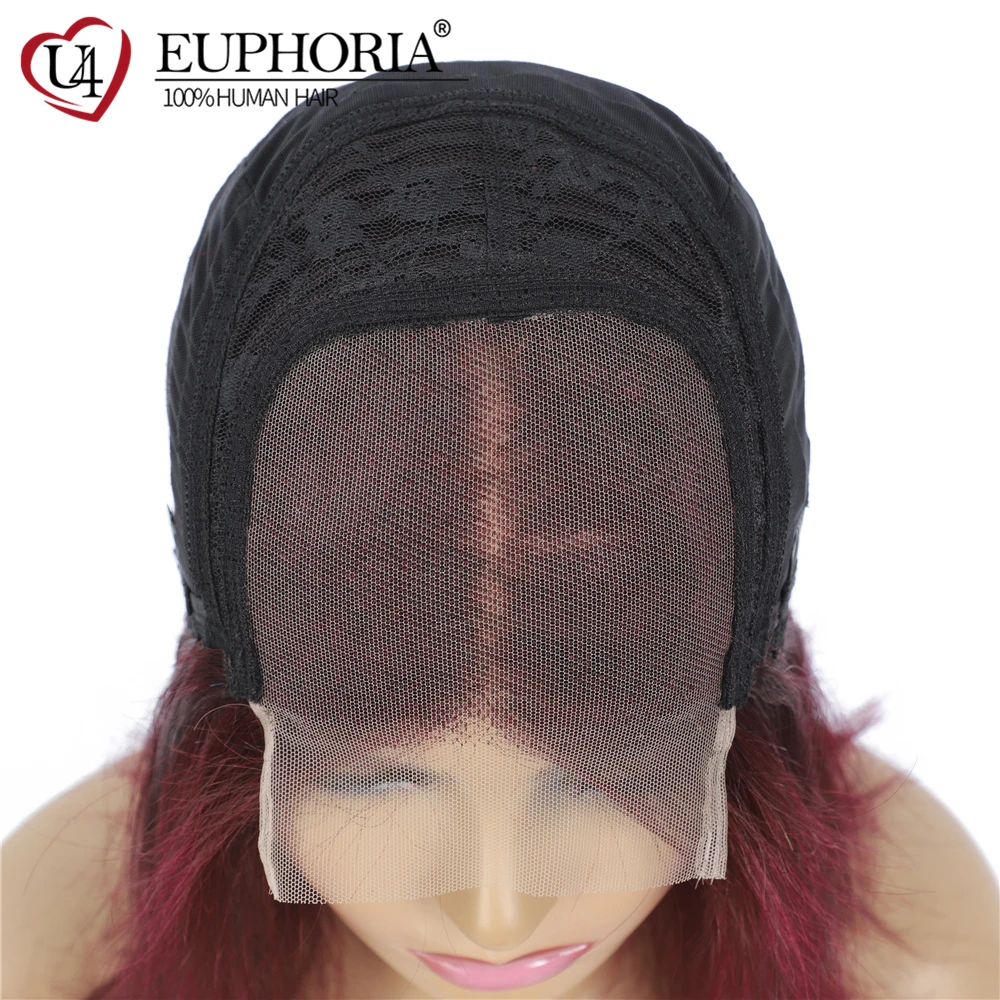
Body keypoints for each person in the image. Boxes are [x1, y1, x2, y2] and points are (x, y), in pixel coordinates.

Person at [3, 61, 998, 1000]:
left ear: (733, 683)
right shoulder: (45, 958)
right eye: (379, 782)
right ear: (244, 703)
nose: (496, 913)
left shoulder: (915, 967)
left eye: (600, 776)